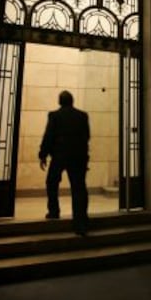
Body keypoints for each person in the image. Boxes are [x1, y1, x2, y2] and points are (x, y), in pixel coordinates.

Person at [38, 90, 90, 236]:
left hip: (59, 156)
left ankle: (54, 211)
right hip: (78, 157)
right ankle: (81, 224)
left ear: (60, 102)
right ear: (72, 101)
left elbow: (49, 136)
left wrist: (43, 155)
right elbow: (86, 138)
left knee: (52, 183)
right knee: (79, 189)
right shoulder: (82, 116)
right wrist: (85, 158)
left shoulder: (54, 115)